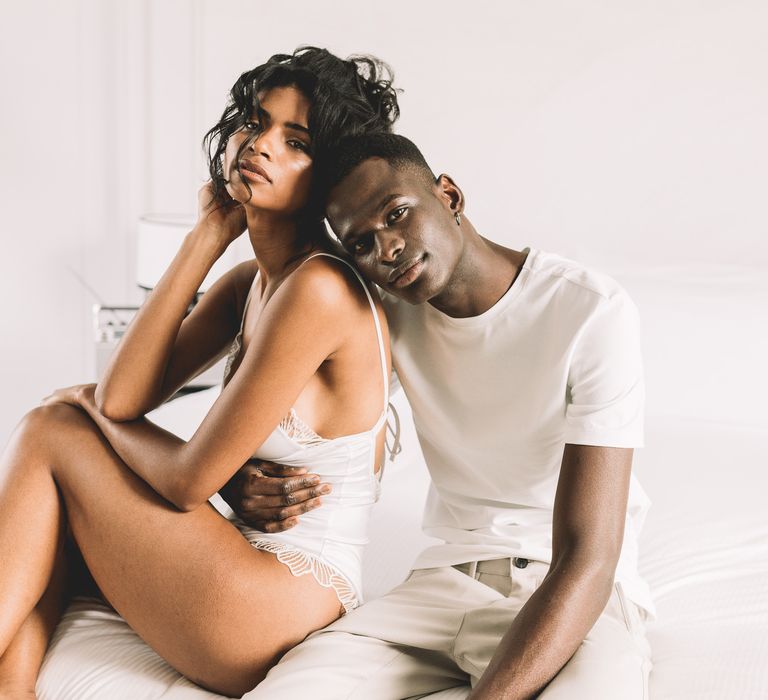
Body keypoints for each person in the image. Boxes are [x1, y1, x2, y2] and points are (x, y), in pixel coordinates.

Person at [0, 47, 400, 698]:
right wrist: (206, 237)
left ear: (327, 175)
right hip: (245, 578)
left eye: (294, 141)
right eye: (253, 120)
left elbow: (185, 480)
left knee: (51, 429)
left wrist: (84, 407)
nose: (259, 144)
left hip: (281, 600)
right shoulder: (254, 281)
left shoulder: (320, 289)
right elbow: (126, 395)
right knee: (54, 526)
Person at [228, 132, 655, 699]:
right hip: (444, 585)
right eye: (360, 244)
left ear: (450, 196)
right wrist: (237, 477)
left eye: (397, 215)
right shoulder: (387, 313)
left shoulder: (589, 311)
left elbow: (589, 558)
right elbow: (294, 418)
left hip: (573, 598)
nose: (386, 250)